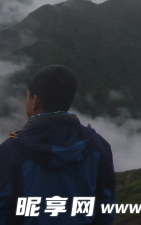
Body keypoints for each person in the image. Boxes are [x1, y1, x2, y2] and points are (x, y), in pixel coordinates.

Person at [0, 65, 116, 225]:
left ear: (35, 101)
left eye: (28, 97)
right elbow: (106, 208)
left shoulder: (10, 151)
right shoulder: (98, 146)